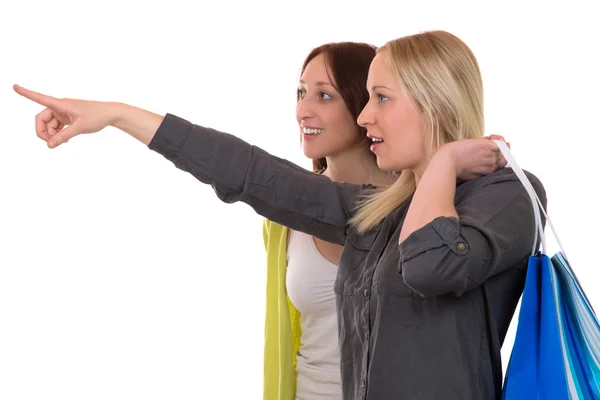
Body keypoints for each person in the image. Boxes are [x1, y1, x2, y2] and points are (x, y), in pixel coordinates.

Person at [14, 29, 546, 399]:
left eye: (381, 98)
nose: (365, 117)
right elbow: (253, 173)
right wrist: (116, 114)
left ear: (434, 102)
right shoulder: (380, 212)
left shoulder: (508, 196)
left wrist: (445, 161)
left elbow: (432, 266)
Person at [262, 42, 395, 400]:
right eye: (301, 93)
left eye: (324, 96)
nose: (302, 111)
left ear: (364, 104)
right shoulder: (283, 219)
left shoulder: (420, 201)